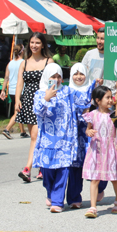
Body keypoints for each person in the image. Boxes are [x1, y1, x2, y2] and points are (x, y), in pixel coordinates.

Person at [32, 63, 96, 212]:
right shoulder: (40, 93)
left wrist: (93, 84)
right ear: (46, 77)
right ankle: (51, 192)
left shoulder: (68, 91)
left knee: (63, 171)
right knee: (47, 172)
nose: (56, 79)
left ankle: (57, 202)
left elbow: (84, 100)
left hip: (66, 141)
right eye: (53, 77)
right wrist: (46, 98)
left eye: (59, 76)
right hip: (48, 141)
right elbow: (38, 111)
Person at [82, 86, 117, 218]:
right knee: (94, 178)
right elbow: (88, 129)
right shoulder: (92, 114)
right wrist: (88, 132)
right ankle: (93, 206)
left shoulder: (113, 114)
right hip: (97, 149)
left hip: (111, 149)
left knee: (114, 178)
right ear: (98, 100)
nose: (110, 100)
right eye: (107, 97)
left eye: (110, 97)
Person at [16, 32, 53, 182]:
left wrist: (48, 99)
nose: (34, 45)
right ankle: (42, 167)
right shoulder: (24, 63)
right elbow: (20, 83)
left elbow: (53, 83)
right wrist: (18, 99)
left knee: (35, 136)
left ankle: (27, 169)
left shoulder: (48, 62)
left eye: (37, 43)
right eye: (32, 42)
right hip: (28, 102)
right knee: (36, 136)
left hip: (43, 101)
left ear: (43, 44)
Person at [67, 63, 92, 209]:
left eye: (81, 73)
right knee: (74, 167)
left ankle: (99, 188)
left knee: (90, 164)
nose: (78, 77)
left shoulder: (91, 89)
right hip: (71, 134)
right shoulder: (66, 91)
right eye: (75, 74)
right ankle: (74, 197)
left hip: (87, 133)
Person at [0, 44, 28, 139]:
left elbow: (6, 78)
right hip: (21, 90)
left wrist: (3, 90)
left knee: (18, 110)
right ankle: (7, 129)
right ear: (23, 51)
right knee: (18, 112)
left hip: (11, 90)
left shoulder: (10, 63)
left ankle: (23, 131)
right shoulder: (24, 62)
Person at [81, 27, 116, 92]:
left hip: (109, 95)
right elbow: (82, 73)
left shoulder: (114, 56)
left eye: (102, 39)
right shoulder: (89, 54)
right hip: (92, 93)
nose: (99, 41)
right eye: (98, 38)